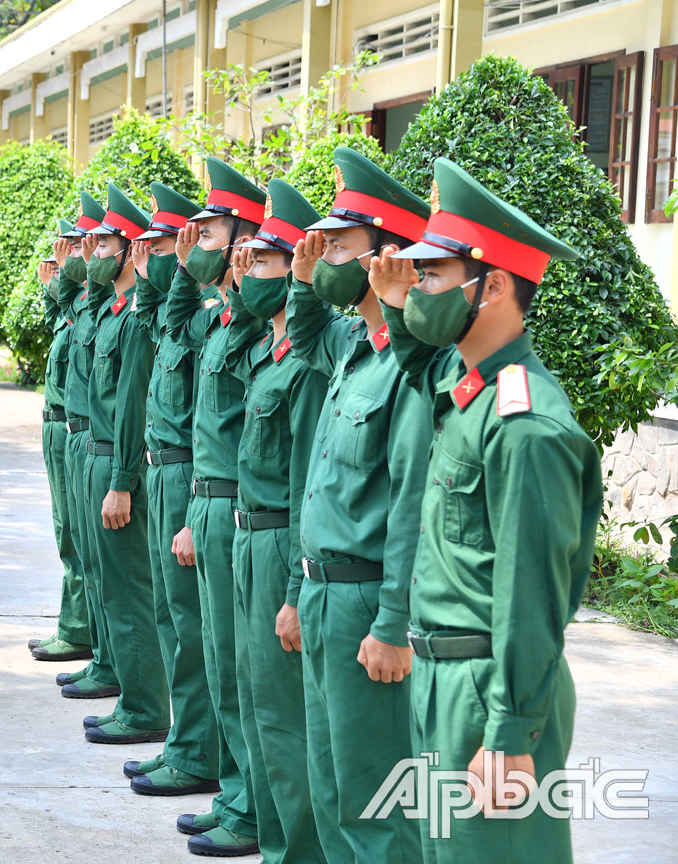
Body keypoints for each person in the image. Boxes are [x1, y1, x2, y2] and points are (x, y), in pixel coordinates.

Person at [370, 157, 598, 864]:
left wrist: (510, 733)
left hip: (488, 690)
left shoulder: (526, 423)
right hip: (441, 682)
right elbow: (416, 364)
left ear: (493, 284)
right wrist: (396, 309)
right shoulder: (467, 384)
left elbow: (531, 591)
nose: (418, 289)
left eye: (433, 277)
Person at [285, 146, 431, 864]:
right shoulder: (354, 346)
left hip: (366, 600)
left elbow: (410, 504)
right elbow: (305, 335)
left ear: (388, 258)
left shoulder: (410, 366)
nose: (324, 253)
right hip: (321, 590)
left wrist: (394, 623)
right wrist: (308, 280)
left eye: (339, 244)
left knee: (378, 804)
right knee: (336, 786)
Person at [218, 178, 327, 863]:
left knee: (286, 721)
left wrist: (292, 590)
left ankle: (297, 850)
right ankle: (268, 834)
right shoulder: (269, 353)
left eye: (261, 261)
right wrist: (233, 289)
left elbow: (302, 490)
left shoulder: (307, 370)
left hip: (278, 547)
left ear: (296, 272)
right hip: (244, 535)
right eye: (247, 258)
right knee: (256, 702)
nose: (248, 270)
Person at [166, 158, 265, 857]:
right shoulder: (221, 320)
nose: (203, 242)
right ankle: (233, 794)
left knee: (241, 669)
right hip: (205, 501)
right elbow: (168, 323)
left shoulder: (261, 328)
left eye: (214, 232)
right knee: (219, 659)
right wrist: (183, 266)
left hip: (237, 508)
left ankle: (252, 805)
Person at [125, 182, 221, 795]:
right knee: (170, 616)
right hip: (164, 469)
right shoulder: (173, 310)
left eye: (184, 243)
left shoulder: (217, 318)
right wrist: (165, 277)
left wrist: (183, 271)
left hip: (190, 476)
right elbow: (165, 322)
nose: (158, 256)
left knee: (193, 628)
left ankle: (197, 754)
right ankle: (184, 744)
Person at [78, 182, 169, 744]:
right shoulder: (118, 309)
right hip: (100, 454)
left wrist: (122, 481)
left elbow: (134, 404)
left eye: (107, 246)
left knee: (133, 593)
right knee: (111, 584)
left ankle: (143, 709)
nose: (94, 255)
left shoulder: (138, 320)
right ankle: (125, 687)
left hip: (122, 462)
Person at [52, 190, 121, 698]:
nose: (84, 253)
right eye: (84, 245)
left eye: (96, 245)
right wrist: (67, 277)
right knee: (82, 552)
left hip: (108, 450)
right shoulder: (99, 303)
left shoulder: (131, 314)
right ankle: (99, 655)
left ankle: (130, 688)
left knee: (125, 586)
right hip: (78, 438)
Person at [30, 218, 94, 664]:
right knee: (65, 531)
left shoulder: (103, 307)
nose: (64, 255)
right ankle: (73, 625)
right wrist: (53, 286)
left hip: (81, 429)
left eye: (75, 246)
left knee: (76, 535)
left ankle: (78, 630)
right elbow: (59, 320)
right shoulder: (80, 304)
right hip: (59, 423)